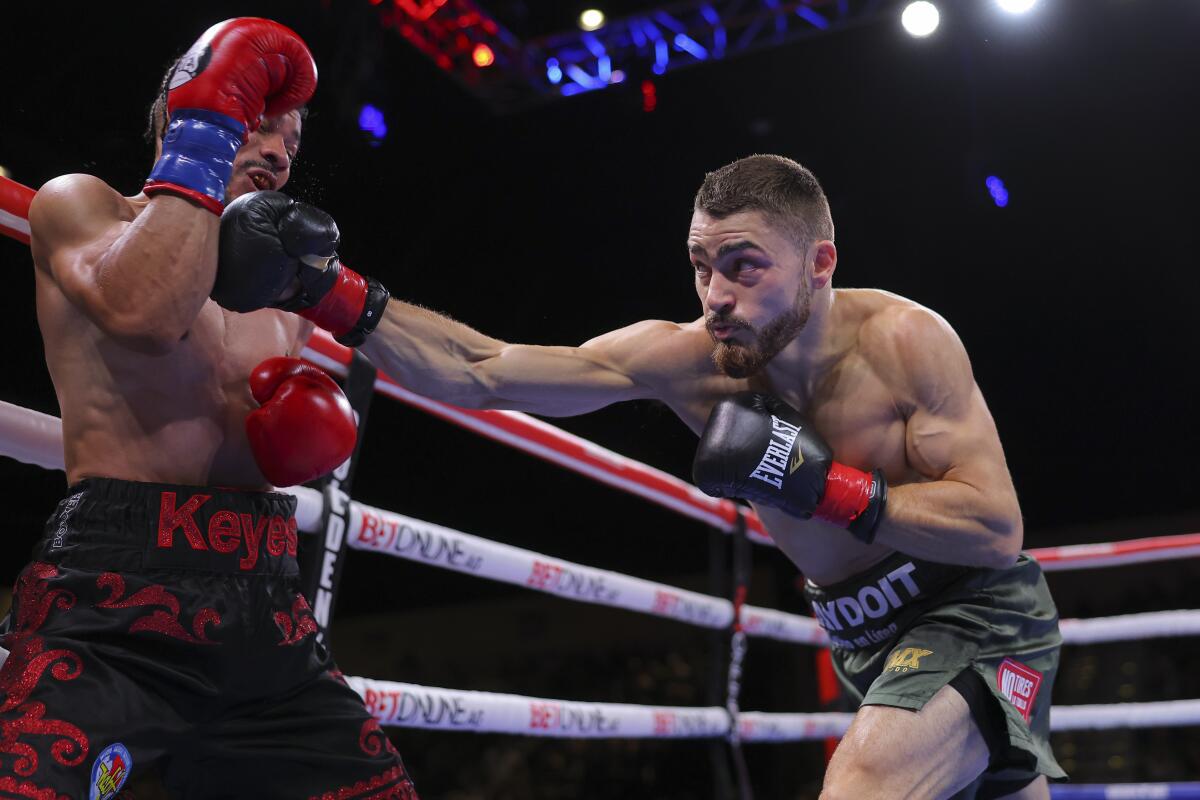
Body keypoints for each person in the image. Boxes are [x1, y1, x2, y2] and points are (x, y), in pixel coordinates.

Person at [219, 153, 1064, 798]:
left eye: (743, 265)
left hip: (974, 612)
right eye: (700, 264)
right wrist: (327, 292)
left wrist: (828, 488)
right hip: (863, 637)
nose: (715, 295)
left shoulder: (908, 343)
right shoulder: (690, 361)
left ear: (819, 263)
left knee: (864, 782)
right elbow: (482, 369)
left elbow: (996, 528)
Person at [3, 18, 413, 798]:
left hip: (266, 608)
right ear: (189, 109)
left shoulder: (284, 290)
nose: (279, 151)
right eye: (259, 123)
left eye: (290, 140)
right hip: (114, 604)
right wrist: (208, 129)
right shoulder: (83, 207)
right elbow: (147, 313)